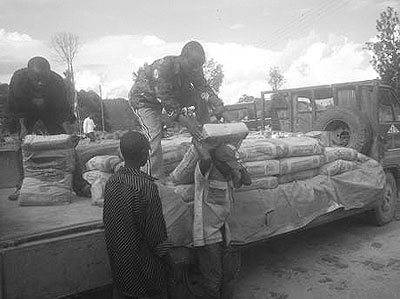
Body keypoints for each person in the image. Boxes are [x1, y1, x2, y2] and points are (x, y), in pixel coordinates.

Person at [129, 40, 228, 179]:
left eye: (198, 67)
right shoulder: (163, 68)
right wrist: (189, 125)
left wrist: (217, 104)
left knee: (200, 96)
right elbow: (166, 100)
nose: (195, 70)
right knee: (154, 137)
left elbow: (203, 88)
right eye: (192, 66)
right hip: (145, 100)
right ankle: (154, 180)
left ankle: (205, 135)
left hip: (174, 94)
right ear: (183, 58)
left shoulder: (194, 68)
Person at [103, 131, 172, 299]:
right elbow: (155, 233)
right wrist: (170, 262)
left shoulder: (112, 182)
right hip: (143, 270)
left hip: (119, 267)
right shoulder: (146, 186)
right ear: (144, 153)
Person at [7, 56, 76, 201]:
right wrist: (23, 129)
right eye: (36, 79)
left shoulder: (56, 82)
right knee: (22, 146)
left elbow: (62, 110)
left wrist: (68, 134)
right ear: (29, 74)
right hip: (25, 111)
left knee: (66, 144)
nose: (40, 83)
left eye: (44, 79)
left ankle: (77, 184)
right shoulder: (19, 79)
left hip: (50, 110)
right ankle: (21, 186)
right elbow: (16, 108)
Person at [193, 143, 243, 299]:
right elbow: (206, 157)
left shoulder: (228, 176)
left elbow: (246, 181)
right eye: (227, 164)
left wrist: (238, 166)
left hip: (225, 232)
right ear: (217, 162)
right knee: (213, 279)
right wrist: (200, 139)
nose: (230, 168)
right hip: (208, 235)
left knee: (230, 276)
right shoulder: (204, 172)